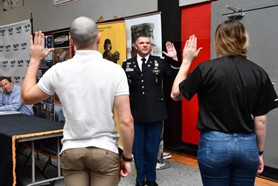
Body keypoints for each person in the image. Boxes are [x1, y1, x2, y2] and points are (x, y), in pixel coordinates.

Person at [21, 16, 134, 186]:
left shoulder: (58, 70)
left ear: (71, 41)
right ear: (98, 38)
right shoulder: (115, 71)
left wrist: (35, 60)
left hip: (72, 151)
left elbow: (26, 97)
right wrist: (126, 156)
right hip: (105, 150)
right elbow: (126, 121)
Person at [171, 19, 278, 186]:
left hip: (214, 143)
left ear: (218, 41)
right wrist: (260, 152)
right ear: (244, 40)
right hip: (247, 145)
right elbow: (261, 121)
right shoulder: (259, 73)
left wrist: (186, 60)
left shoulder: (205, 69)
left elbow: (175, 94)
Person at [122, 35, 180, 186]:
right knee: (138, 149)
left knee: (152, 148)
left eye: (148, 43)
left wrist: (174, 60)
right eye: (141, 43)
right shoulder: (127, 64)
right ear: (135, 46)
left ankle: (151, 179)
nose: (145, 45)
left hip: (155, 112)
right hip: (135, 112)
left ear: (151, 46)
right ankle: (140, 179)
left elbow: (173, 77)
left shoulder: (159, 62)